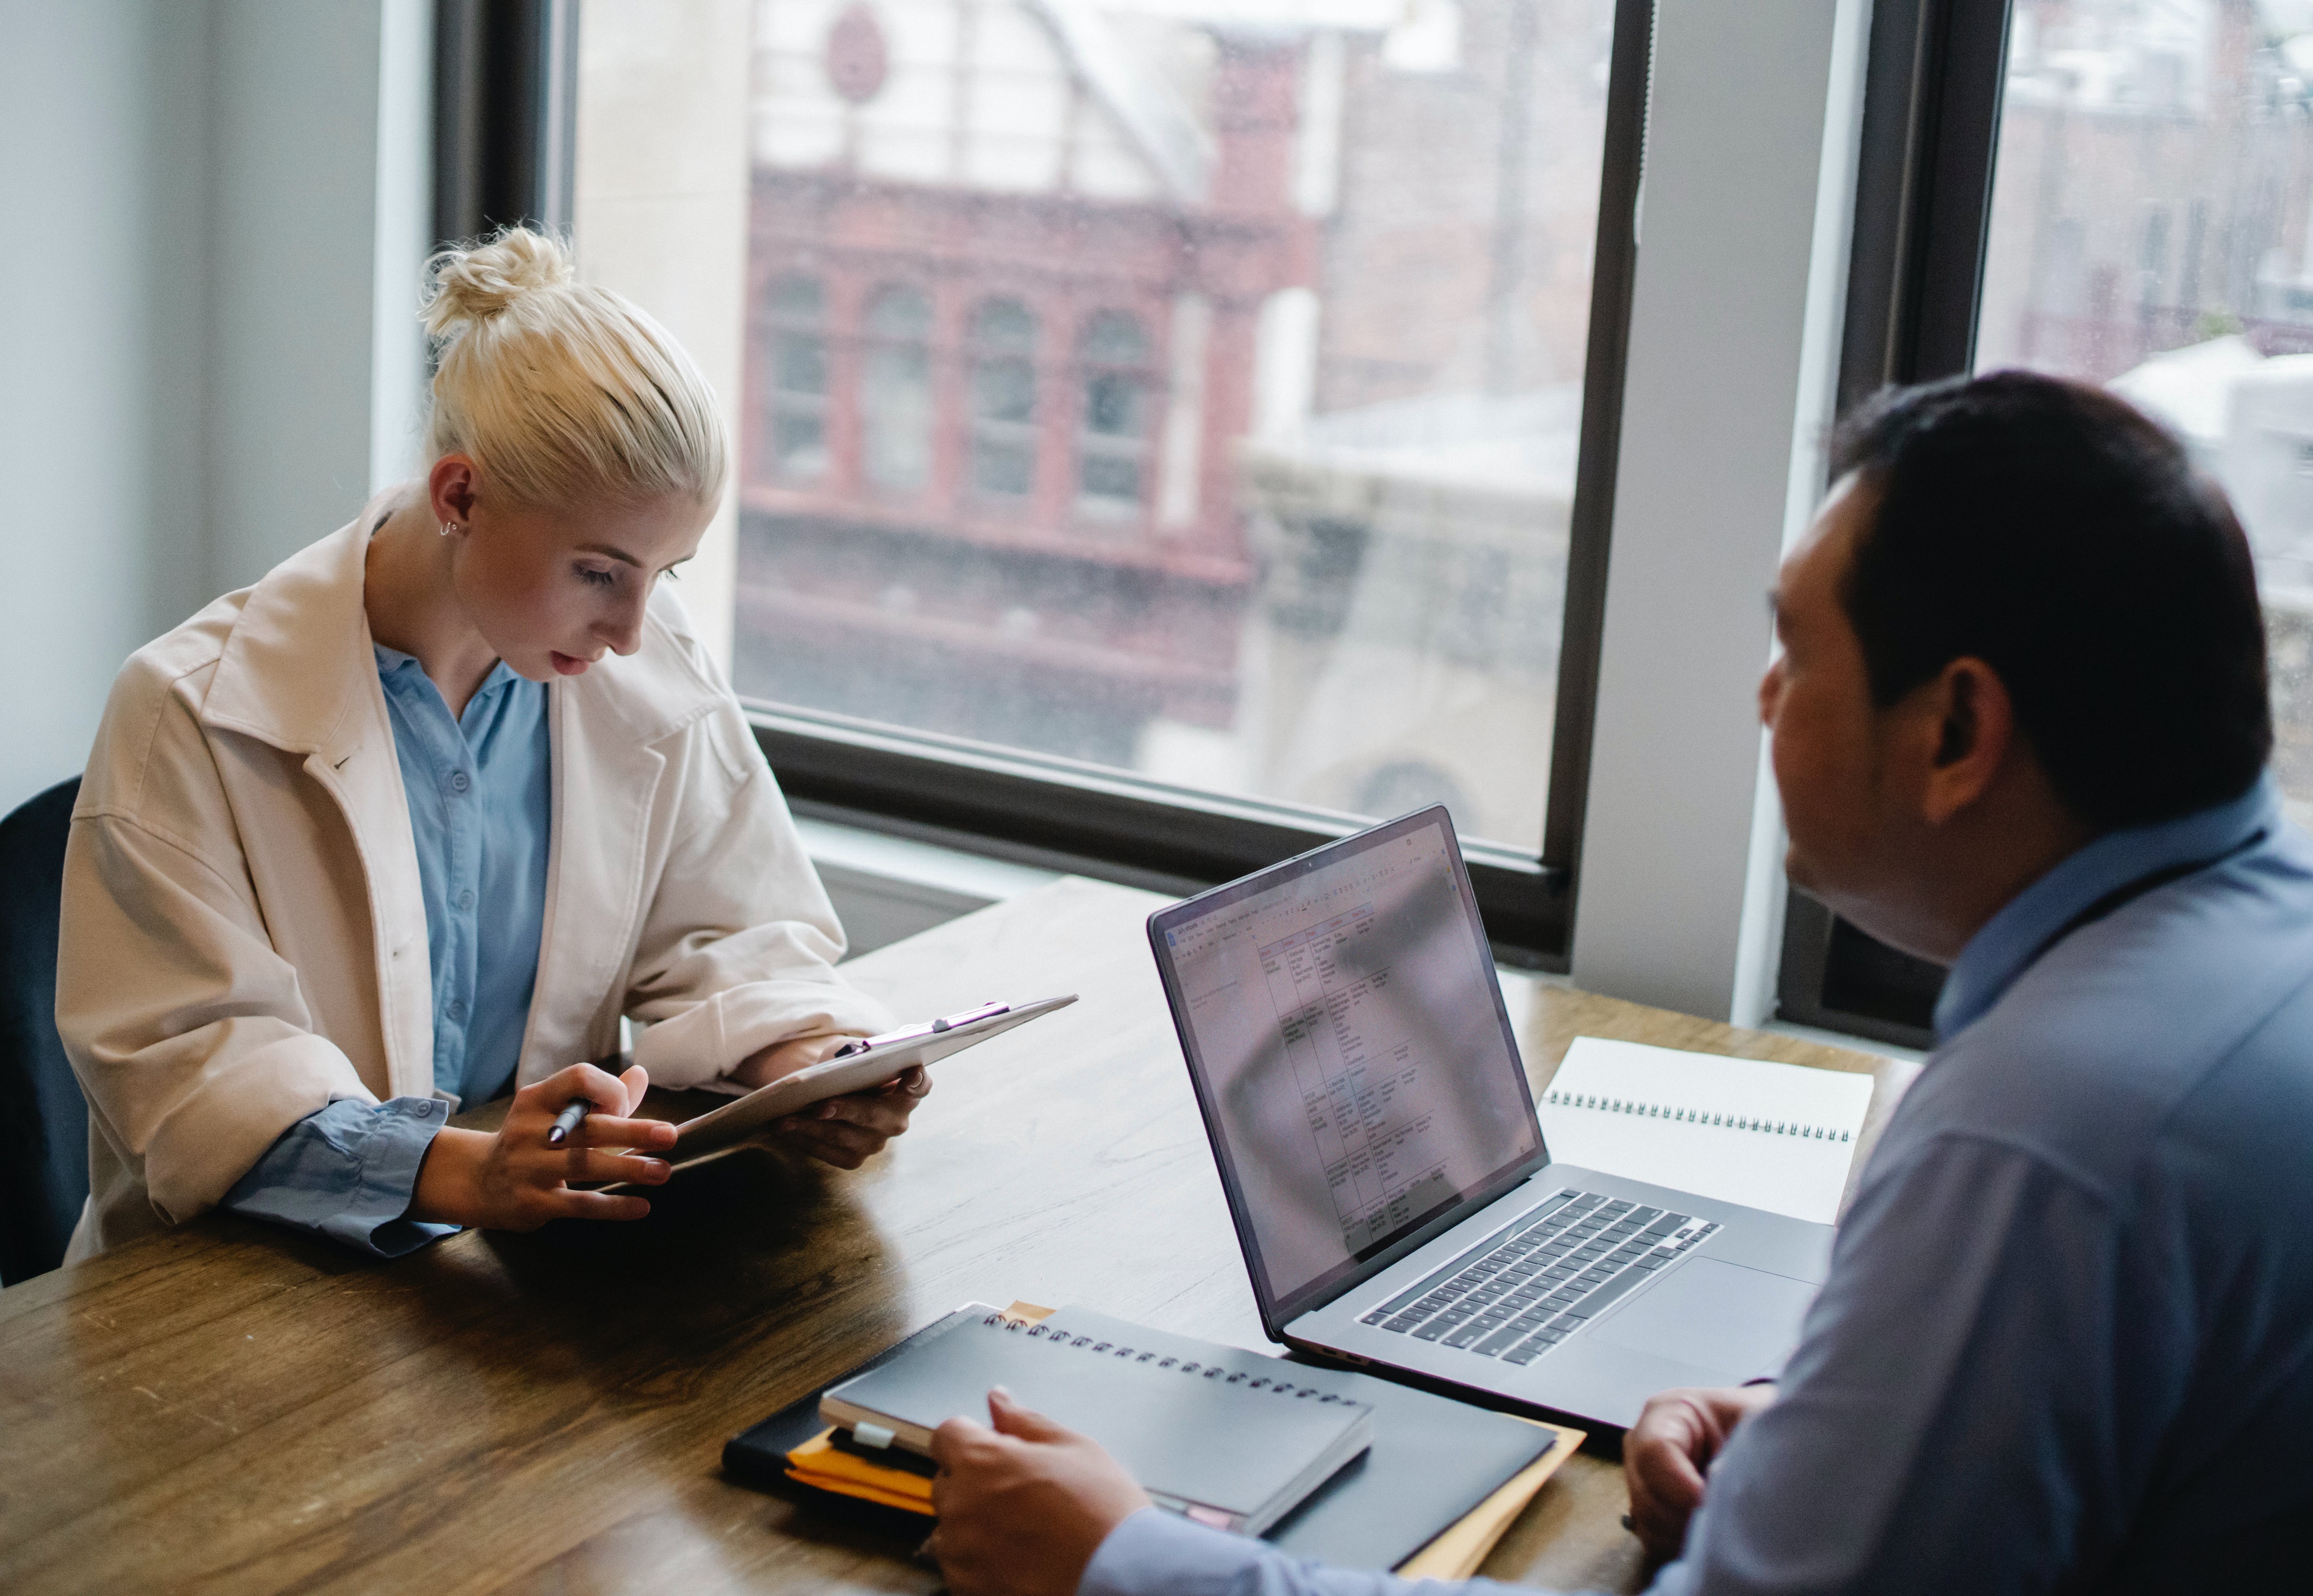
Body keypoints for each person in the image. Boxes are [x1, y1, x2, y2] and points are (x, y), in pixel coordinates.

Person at [923, 371, 2313, 1593]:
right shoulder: (2250, 968)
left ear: (1956, 727)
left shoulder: (2050, 1136)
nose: (1765, 701)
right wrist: (1834, 1430)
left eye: (1797, 650)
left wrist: (1129, 1567)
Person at [57, 227, 924, 1262]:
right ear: (460, 496)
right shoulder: (186, 711)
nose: (634, 631)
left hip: (516, 1277)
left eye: (668, 572)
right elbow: (197, 1077)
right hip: (225, 1299)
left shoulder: (628, 661)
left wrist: (809, 1059)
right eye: (600, 572)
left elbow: (730, 930)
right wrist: (469, 1172)